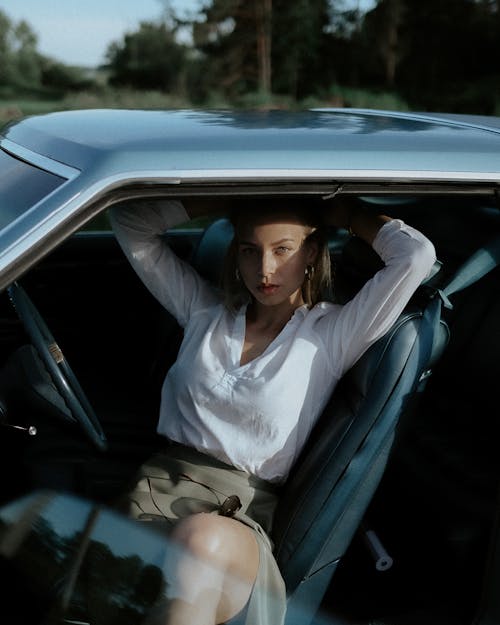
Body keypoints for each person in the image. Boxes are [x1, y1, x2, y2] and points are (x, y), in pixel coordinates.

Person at [109, 196, 436, 625]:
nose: (264, 269)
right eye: (249, 249)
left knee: (201, 539)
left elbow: (415, 256)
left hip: (233, 518)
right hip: (152, 496)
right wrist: (229, 198)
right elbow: (129, 220)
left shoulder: (330, 334)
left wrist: (350, 214)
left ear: (312, 254)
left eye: (282, 250)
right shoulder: (205, 313)